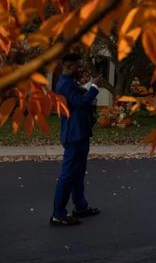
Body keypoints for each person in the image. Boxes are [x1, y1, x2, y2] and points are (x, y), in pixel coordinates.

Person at [50, 53, 102, 227]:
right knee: (67, 175)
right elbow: (80, 103)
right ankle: (58, 214)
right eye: (77, 66)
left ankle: (80, 206)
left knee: (79, 173)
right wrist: (94, 87)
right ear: (68, 66)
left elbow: (80, 98)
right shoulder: (64, 84)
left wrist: (87, 86)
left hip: (81, 133)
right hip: (73, 135)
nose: (79, 69)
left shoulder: (70, 83)